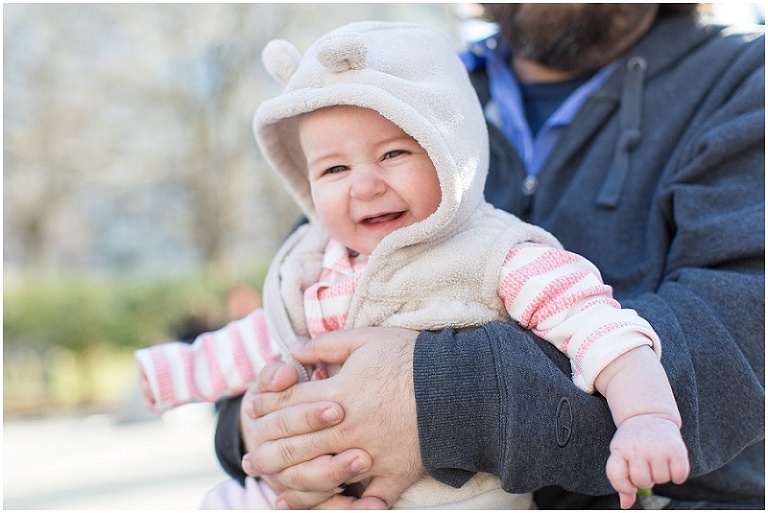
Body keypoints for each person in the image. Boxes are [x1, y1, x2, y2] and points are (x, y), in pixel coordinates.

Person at [216, 4, 765, 510]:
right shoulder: (395, 81)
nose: (361, 182)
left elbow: (740, 335)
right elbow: (301, 294)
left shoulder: (746, 78)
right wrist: (265, 429)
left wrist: (436, 398)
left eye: (392, 155)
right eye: (337, 170)